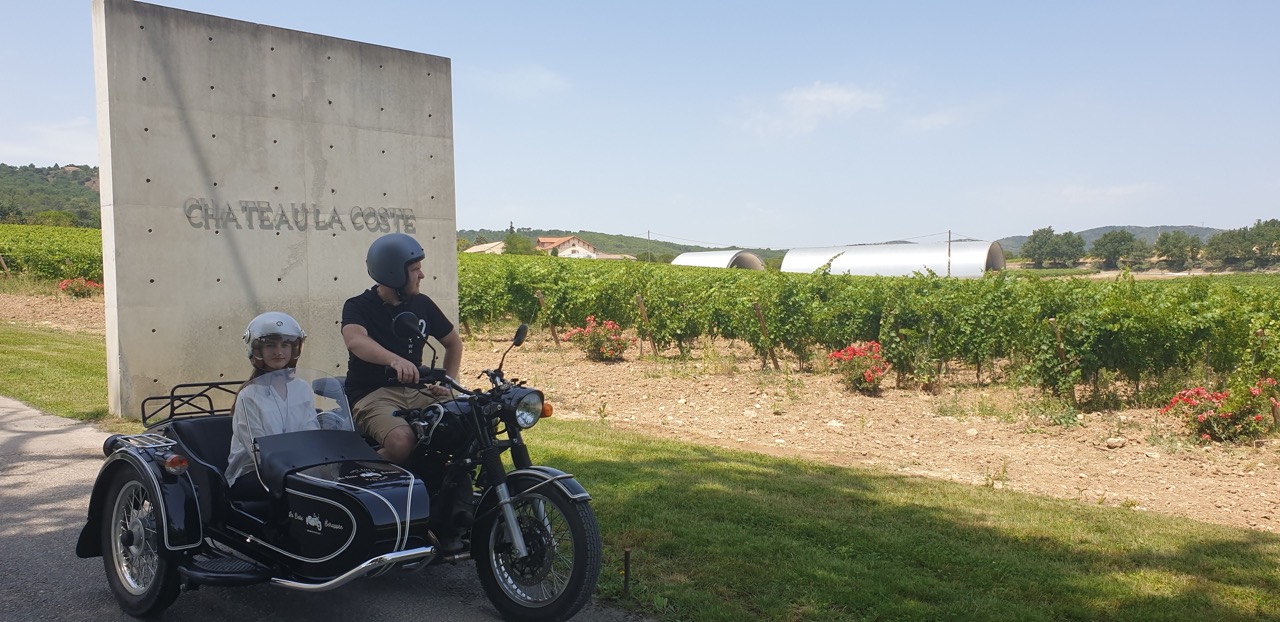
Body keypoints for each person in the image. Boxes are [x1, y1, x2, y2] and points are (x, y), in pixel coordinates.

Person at [342, 233, 463, 465]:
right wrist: (394, 361)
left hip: (418, 391)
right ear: (393, 273)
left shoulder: (422, 304)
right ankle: (354, 474)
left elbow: (453, 343)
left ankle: (454, 491)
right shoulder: (358, 306)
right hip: (372, 394)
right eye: (415, 269)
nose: (422, 275)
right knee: (401, 442)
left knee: (466, 423)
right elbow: (355, 340)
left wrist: (446, 382)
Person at [225, 311, 318, 500]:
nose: (279, 351)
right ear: (257, 350)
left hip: (298, 469)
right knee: (294, 488)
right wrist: (294, 471)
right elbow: (257, 451)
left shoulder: (302, 388)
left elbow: (311, 431)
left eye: (285, 344)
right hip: (253, 473)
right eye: (270, 345)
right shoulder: (248, 395)